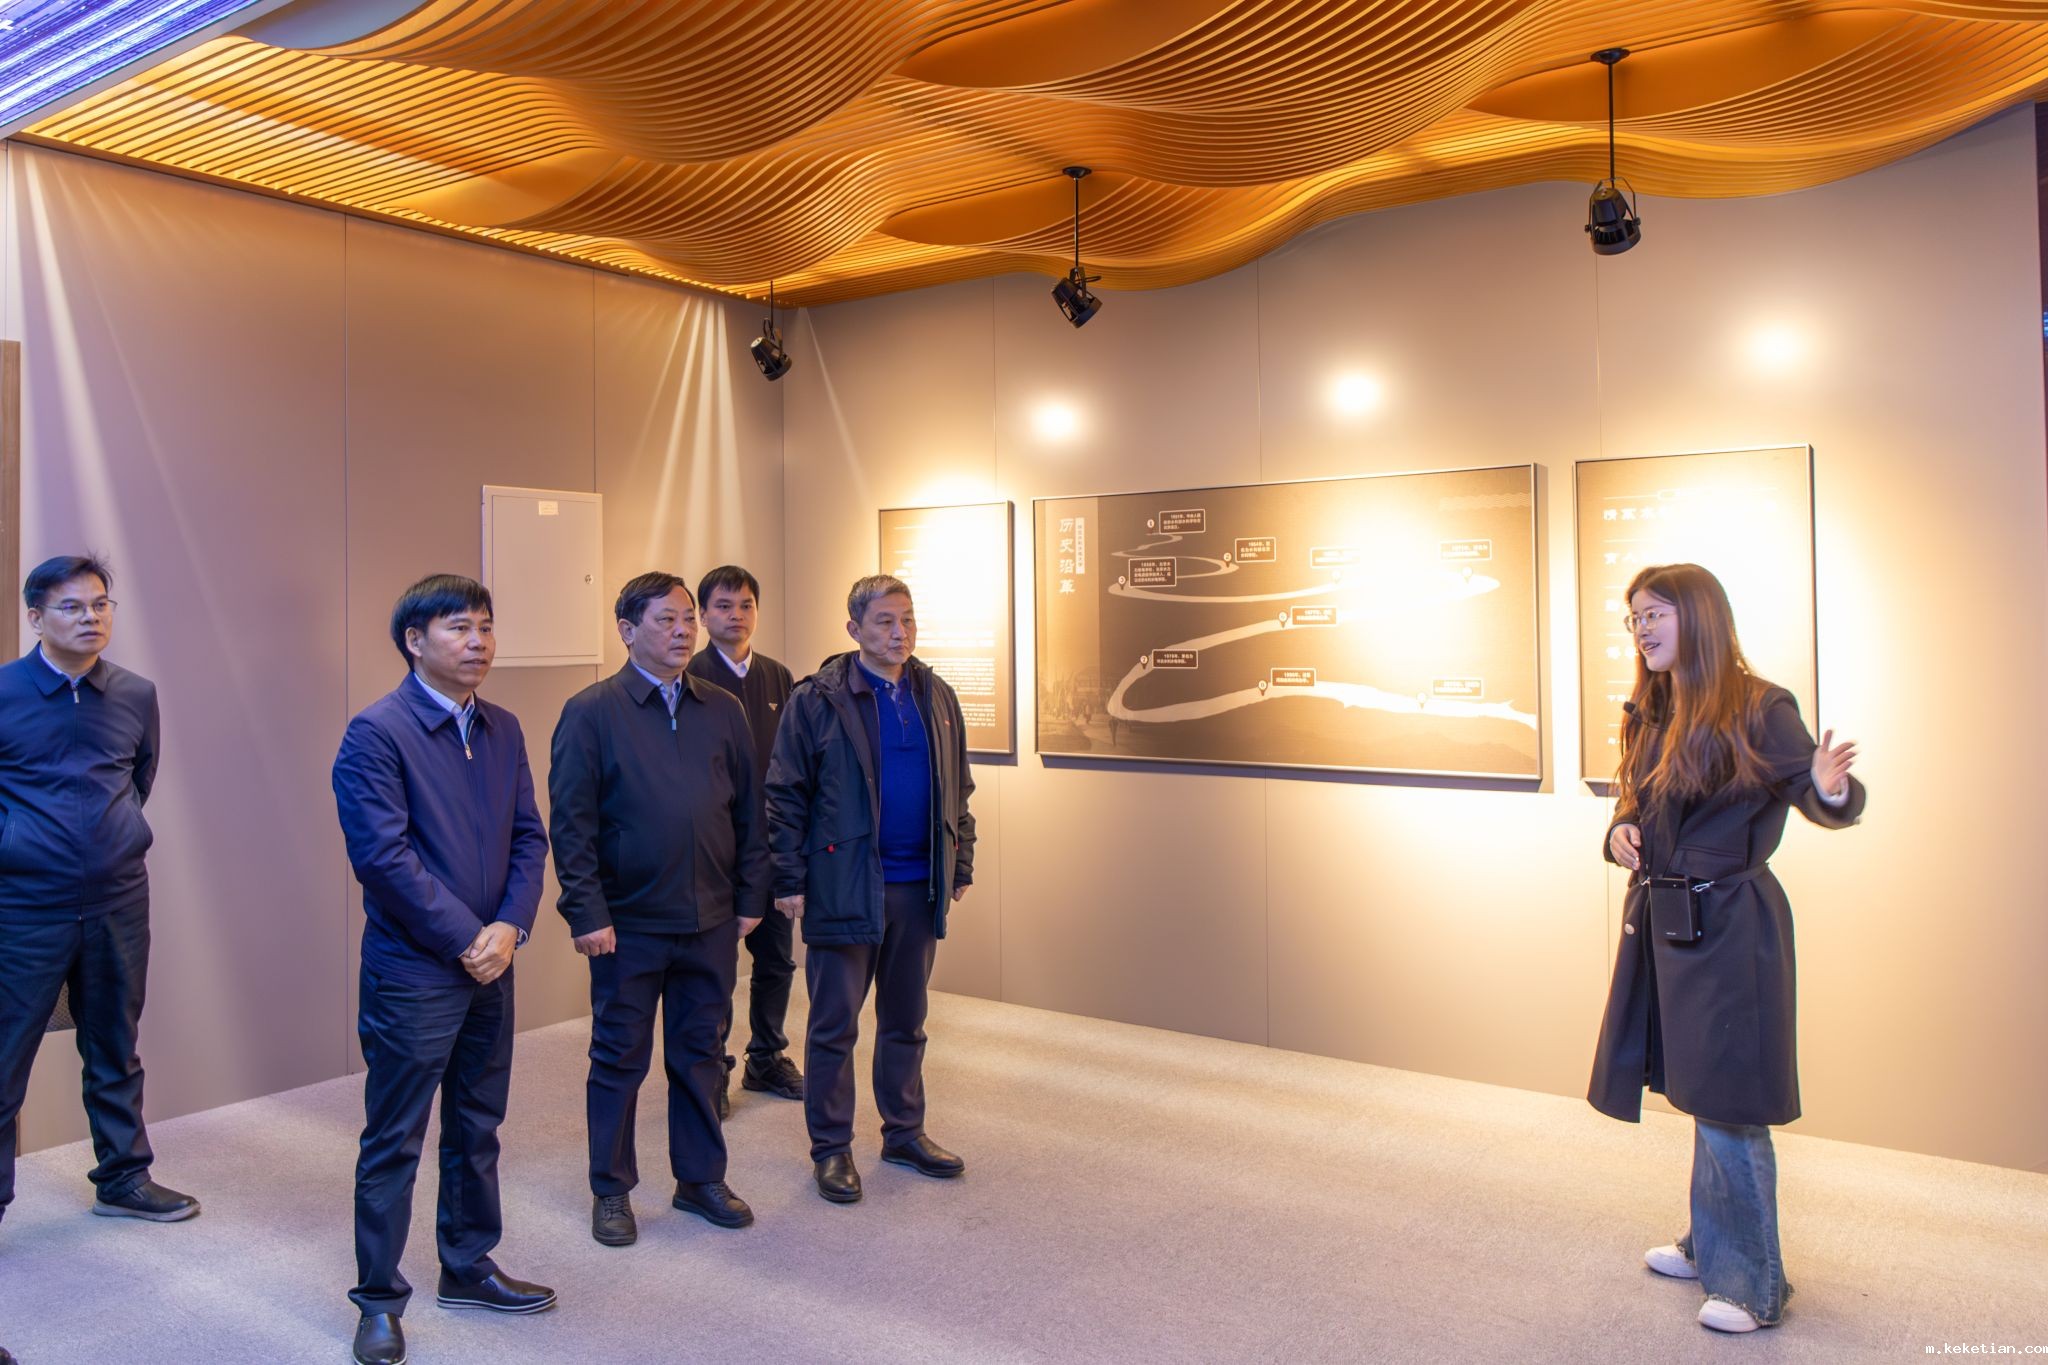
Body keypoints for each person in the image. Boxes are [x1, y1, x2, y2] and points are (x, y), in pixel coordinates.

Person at [1588, 562, 1864, 1335]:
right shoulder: (1655, 706)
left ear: (1699, 616)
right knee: (1700, 1087)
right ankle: (1709, 1242)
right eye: (1635, 617)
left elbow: (1818, 794)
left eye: (1655, 613)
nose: (1641, 629)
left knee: (1730, 1100)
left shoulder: (1760, 706)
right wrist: (1620, 830)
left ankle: (1752, 1283)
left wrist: (1830, 787)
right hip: (1669, 921)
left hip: (1731, 927)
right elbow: (1637, 801)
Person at [332, 575, 554, 1365]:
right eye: (459, 627)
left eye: (486, 626)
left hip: (492, 961)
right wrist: (469, 938)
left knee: (477, 1123)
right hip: (416, 970)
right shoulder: (376, 732)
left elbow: (529, 837)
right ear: (414, 640)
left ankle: (466, 1264)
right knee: (396, 1136)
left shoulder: (502, 726)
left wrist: (510, 927)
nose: (478, 641)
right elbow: (383, 858)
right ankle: (378, 1299)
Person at [550, 573, 766, 1246]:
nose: (682, 631)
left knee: (701, 1054)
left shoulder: (722, 709)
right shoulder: (591, 711)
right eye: (666, 620)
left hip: (711, 920)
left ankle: (699, 1180)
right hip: (628, 924)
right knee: (619, 1058)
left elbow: (750, 812)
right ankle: (611, 1189)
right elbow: (572, 825)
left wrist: (751, 896)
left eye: (687, 620)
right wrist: (586, 912)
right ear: (627, 629)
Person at [0, 555, 198, 1229]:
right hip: (24, 906)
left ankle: (123, 1178)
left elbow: (139, 778)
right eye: (72, 607)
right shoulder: (5, 693)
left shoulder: (136, 694)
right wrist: (19, 845)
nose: (91, 617)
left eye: (100, 604)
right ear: (36, 618)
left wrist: (114, 836)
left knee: (115, 1044)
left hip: (119, 898)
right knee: (5, 1057)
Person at [766, 574, 975, 1204]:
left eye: (907, 619)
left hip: (917, 886)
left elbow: (959, 787)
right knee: (834, 1026)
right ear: (854, 628)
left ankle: (904, 1133)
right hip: (844, 884)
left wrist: (960, 861)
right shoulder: (818, 700)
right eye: (885, 621)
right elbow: (785, 794)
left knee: (907, 1020)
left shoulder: (936, 695)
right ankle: (831, 1149)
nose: (899, 632)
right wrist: (788, 878)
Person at [686, 564, 802, 1114]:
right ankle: (714, 1068)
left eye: (746, 605)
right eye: (724, 606)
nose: (736, 615)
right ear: (703, 615)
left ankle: (766, 1058)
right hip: (716, 849)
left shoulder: (779, 677)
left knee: (776, 960)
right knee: (715, 967)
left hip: (773, 844)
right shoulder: (690, 675)